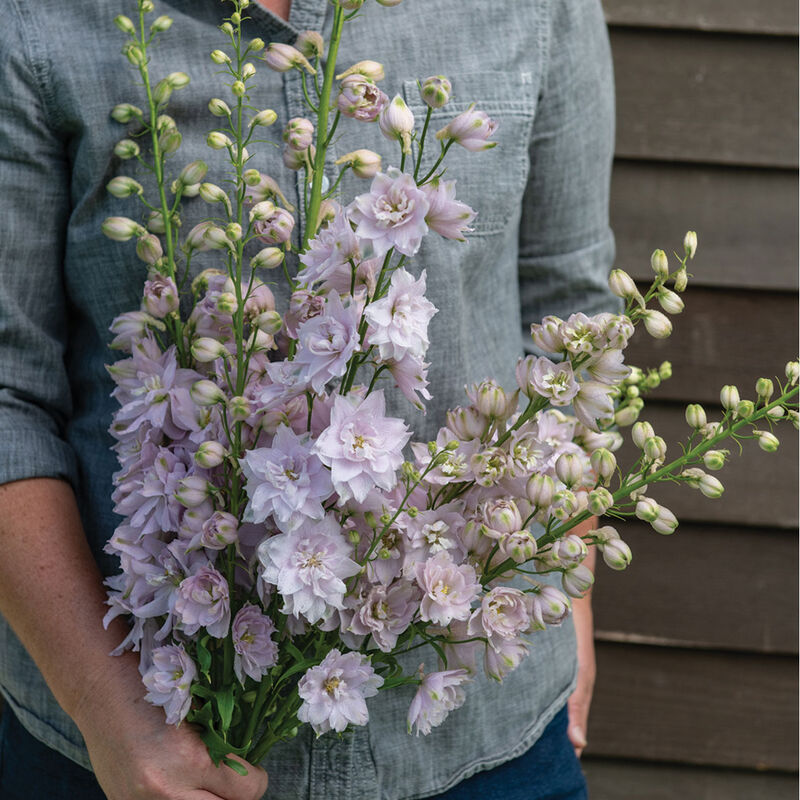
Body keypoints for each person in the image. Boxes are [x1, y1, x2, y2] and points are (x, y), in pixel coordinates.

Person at [0, 0, 615, 797]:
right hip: (124, 745)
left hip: (478, 734)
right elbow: (9, 393)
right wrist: (109, 711)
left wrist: (570, 580)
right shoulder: (38, 22)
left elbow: (572, 319)